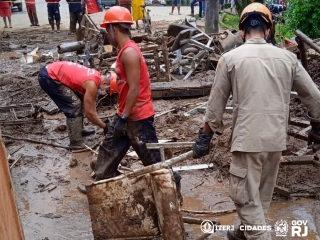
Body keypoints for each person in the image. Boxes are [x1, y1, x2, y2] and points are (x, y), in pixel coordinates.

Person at [192, 3, 320, 240]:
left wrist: (205, 137)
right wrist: (317, 126)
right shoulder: (288, 59)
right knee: (258, 200)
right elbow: (315, 98)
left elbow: (215, 105)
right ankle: (239, 235)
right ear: (268, 29)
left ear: (242, 31)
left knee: (247, 201)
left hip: (247, 143)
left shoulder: (229, 59)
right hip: (275, 142)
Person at [96, 6, 183, 204]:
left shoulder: (129, 53)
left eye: (107, 30)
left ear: (113, 29)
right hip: (125, 114)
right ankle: (102, 186)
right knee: (107, 154)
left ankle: (174, 182)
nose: (107, 36)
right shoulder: (124, 52)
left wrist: (124, 117)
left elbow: (134, 89)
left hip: (138, 118)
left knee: (153, 163)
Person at [38, 61, 111, 148]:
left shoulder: (96, 76)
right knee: (74, 105)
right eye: (108, 90)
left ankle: (78, 131)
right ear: (105, 84)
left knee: (80, 99)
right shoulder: (92, 84)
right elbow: (89, 113)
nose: (106, 93)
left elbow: (90, 104)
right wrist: (104, 126)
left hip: (53, 71)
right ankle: (75, 141)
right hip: (49, 77)